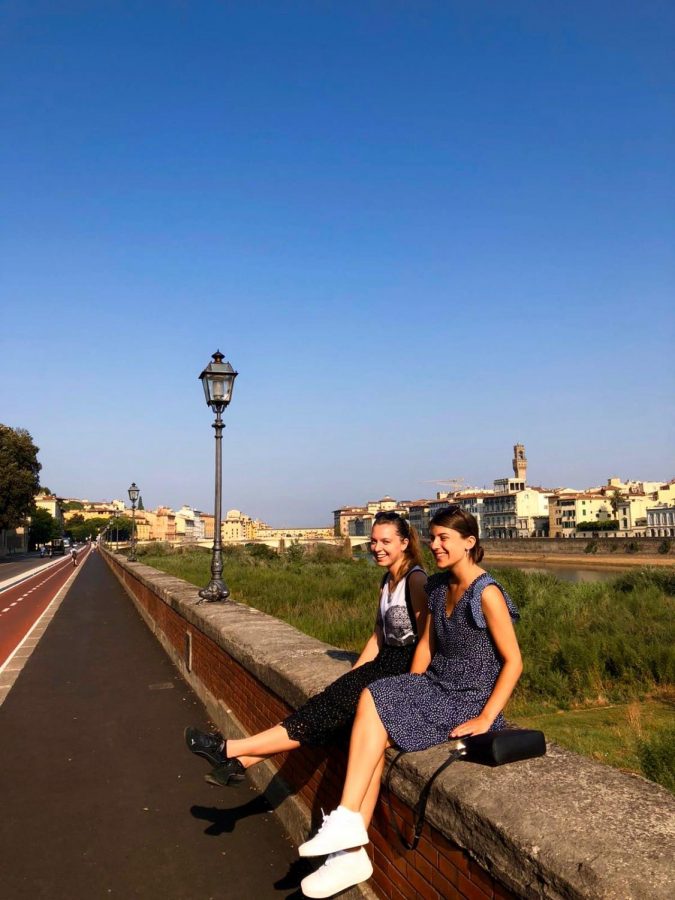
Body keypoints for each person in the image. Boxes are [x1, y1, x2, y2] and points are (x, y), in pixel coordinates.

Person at [296, 506, 523, 898]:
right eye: (432, 537)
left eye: (443, 538)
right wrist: (410, 690)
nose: (433, 545)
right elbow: (426, 646)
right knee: (378, 699)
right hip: (436, 685)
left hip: (469, 698)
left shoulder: (486, 592)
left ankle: (348, 833)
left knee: (377, 707)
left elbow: (514, 661)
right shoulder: (437, 587)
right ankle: (349, 844)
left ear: (469, 543)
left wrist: (488, 716)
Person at [184, 512, 428, 817]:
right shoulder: (387, 580)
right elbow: (378, 636)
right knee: (324, 709)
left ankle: (229, 751)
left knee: (319, 715)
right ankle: (239, 763)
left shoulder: (416, 580)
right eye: (374, 541)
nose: (377, 547)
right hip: (381, 665)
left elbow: (427, 641)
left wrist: (413, 686)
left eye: (386, 542)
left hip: (401, 670)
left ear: (405, 543)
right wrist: (353, 677)